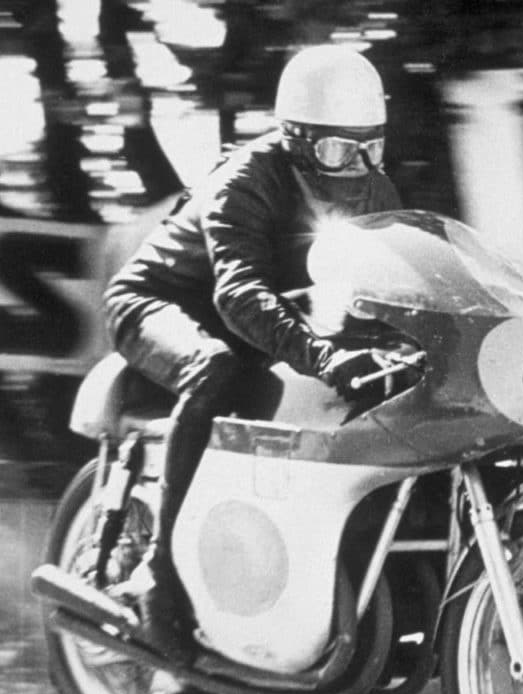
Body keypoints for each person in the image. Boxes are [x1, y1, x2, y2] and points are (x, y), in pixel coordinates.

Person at [101, 45, 402, 662]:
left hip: (260, 319)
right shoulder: (246, 178)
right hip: (161, 303)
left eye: (370, 146)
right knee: (214, 369)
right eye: (336, 150)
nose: (355, 166)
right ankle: (159, 576)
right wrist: (322, 354)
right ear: (294, 136)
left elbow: (392, 286)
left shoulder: (376, 189)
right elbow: (238, 293)